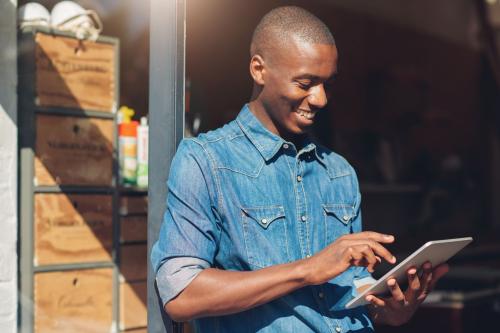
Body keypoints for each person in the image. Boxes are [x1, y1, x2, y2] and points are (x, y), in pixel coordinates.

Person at [151, 6, 448, 332]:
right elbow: (181, 294)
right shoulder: (205, 161)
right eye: (306, 83)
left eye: (327, 84)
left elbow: (351, 289)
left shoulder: (339, 171)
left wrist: (389, 309)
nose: (320, 99)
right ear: (258, 69)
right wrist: (308, 269)